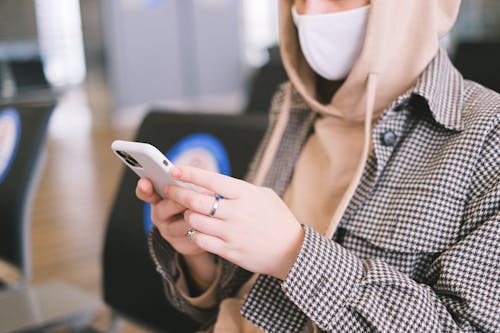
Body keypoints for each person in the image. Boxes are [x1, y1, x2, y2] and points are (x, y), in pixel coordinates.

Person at [136, 0, 499, 332]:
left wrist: (294, 254)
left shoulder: (487, 134)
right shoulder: (291, 108)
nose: (308, 13)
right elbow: (231, 299)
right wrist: (201, 253)